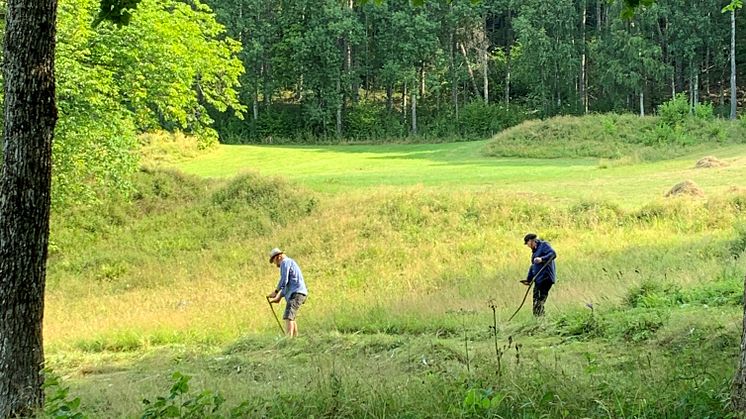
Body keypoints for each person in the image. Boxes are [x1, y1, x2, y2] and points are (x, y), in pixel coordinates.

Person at [266, 248, 308, 337]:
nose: (275, 264)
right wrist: (278, 298)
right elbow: (287, 285)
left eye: (274, 261)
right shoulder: (289, 263)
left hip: (296, 293)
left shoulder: (285, 262)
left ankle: (288, 339)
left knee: (288, 316)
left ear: (278, 257)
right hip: (298, 293)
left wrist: (276, 291)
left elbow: (284, 279)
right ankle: (295, 339)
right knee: (291, 317)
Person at [520, 234, 557, 317]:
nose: (528, 246)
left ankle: (541, 321)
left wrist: (542, 259)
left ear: (531, 241)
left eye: (527, 243)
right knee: (536, 301)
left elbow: (553, 254)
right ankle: (539, 320)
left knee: (539, 301)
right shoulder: (534, 253)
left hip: (545, 278)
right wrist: (528, 280)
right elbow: (533, 267)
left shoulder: (544, 245)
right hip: (538, 280)